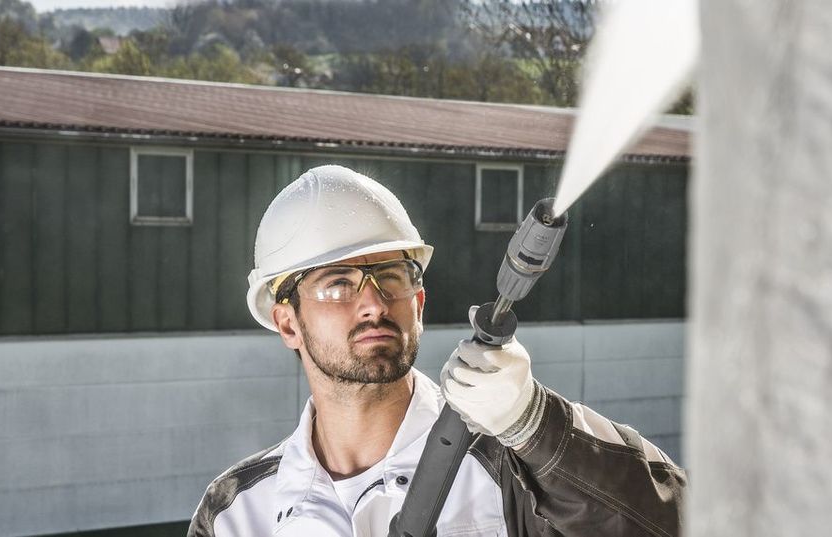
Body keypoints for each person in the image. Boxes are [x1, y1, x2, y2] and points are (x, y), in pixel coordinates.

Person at [188, 165, 685, 537]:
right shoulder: (235, 512)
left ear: (418, 301)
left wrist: (535, 423)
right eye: (337, 283)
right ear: (287, 322)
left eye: (390, 276)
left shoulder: (515, 466)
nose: (372, 302)